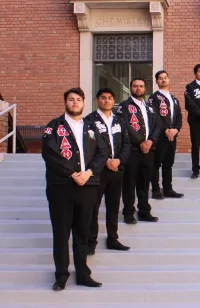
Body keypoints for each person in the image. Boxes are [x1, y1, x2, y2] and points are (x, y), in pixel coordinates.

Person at [42, 87, 108, 291]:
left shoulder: (92, 127)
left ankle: (82, 273)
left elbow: (103, 151)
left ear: (83, 102)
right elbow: (50, 153)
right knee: (61, 233)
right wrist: (72, 172)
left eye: (78, 99)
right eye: (71, 99)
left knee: (83, 232)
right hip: (61, 187)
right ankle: (61, 275)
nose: (75, 102)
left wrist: (89, 173)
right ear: (65, 103)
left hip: (88, 186)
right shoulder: (54, 127)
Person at [85, 87, 131, 254]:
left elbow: (127, 144)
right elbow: (90, 145)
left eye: (110, 98)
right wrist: (105, 161)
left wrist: (119, 160)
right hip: (98, 171)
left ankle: (113, 238)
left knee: (113, 206)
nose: (107, 101)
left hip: (116, 170)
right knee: (93, 207)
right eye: (103, 98)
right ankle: (91, 241)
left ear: (113, 101)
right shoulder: (89, 120)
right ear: (97, 100)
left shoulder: (120, 120)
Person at [117, 78, 161, 224]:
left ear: (145, 89)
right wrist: (140, 142)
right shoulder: (124, 107)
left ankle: (144, 211)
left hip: (148, 151)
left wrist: (150, 141)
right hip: (132, 151)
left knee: (144, 184)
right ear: (130, 88)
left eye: (141, 86)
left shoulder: (150, 107)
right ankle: (129, 212)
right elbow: (125, 126)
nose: (138, 88)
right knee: (129, 184)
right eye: (135, 86)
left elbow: (157, 125)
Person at [148, 70, 184, 199]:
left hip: (172, 136)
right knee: (156, 163)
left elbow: (179, 116)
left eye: (165, 77)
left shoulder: (174, 99)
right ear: (157, 81)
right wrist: (165, 130)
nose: (163, 80)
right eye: (160, 78)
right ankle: (156, 189)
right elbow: (155, 116)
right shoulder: (154, 98)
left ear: (169, 80)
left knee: (168, 163)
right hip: (159, 136)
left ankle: (168, 189)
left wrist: (176, 130)